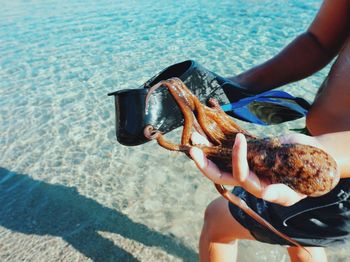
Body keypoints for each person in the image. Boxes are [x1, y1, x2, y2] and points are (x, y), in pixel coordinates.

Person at [189, 1, 350, 261]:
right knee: (299, 241)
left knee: (217, 220)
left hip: (333, 175)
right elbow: (317, 41)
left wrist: (318, 156)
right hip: (311, 152)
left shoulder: (310, 157)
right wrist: (231, 87)